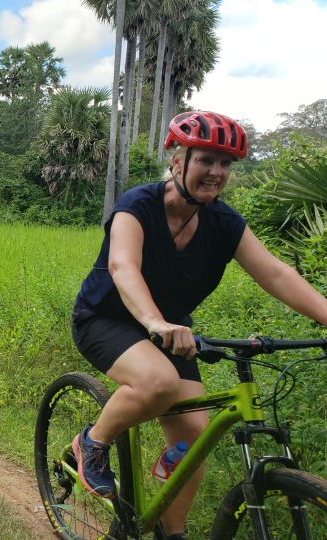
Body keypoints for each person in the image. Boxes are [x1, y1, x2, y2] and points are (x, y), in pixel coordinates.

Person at [70, 111, 327, 539]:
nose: (217, 172)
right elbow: (123, 266)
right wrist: (154, 321)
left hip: (170, 329)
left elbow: (277, 274)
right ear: (177, 159)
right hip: (107, 318)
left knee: (193, 441)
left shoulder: (224, 224)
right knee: (157, 383)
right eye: (207, 159)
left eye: (226, 164)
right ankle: (93, 442)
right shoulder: (137, 205)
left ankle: (171, 533)